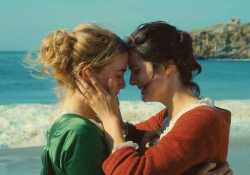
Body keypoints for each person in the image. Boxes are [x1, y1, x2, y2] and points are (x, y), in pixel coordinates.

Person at [75, 21, 232, 175]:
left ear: (167, 67)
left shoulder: (201, 119)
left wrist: (109, 118)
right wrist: (109, 110)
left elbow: (133, 172)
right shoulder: (166, 118)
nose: (131, 81)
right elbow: (130, 134)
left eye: (136, 71)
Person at [25, 22, 129, 174]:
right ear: (88, 74)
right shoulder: (80, 133)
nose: (124, 84)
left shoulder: (75, 124)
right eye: (119, 75)